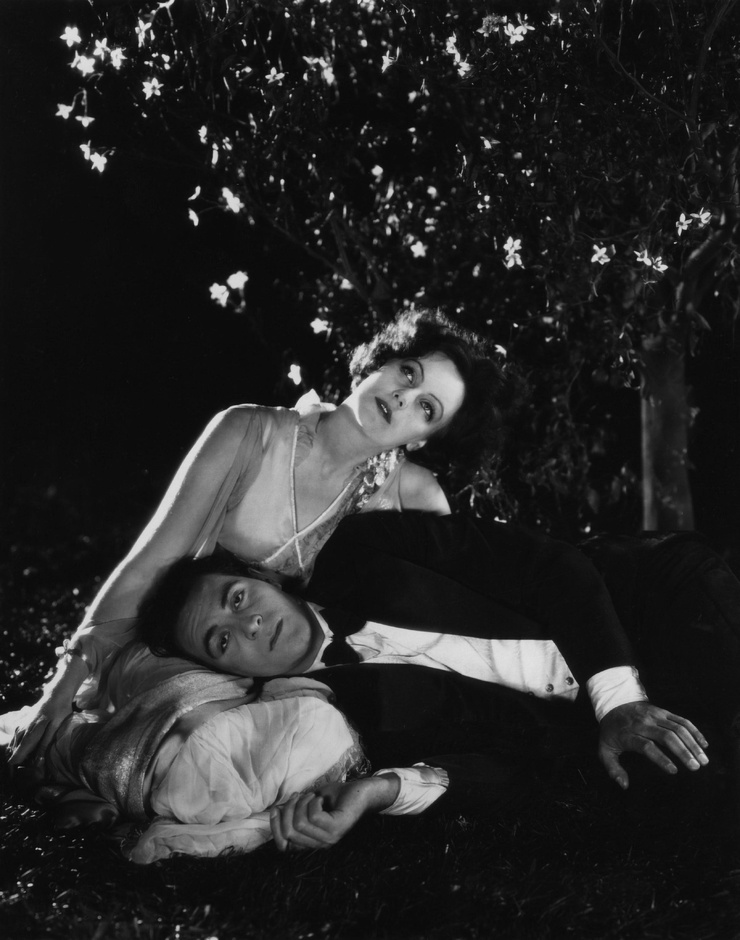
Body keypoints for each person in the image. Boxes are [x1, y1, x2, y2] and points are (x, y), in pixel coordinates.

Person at [9, 309, 517, 768]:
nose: (404, 398)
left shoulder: (414, 495)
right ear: (379, 363)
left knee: (259, 740)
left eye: (427, 408)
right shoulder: (247, 431)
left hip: (301, 684)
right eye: (408, 372)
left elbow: (448, 618)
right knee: (182, 713)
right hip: (189, 648)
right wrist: (62, 686)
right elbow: (151, 562)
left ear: (424, 438)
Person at [133, 510, 740, 851]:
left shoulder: (363, 546)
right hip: (594, 732)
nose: (248, 624)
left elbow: (550, 565)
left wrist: (617, 701)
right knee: (707, 796)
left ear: (262, 578)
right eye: (221, 641)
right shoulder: (329, 718)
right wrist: (378, 792)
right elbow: (501, 772)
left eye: (238, 597)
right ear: (228, 672)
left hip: (640, 601)